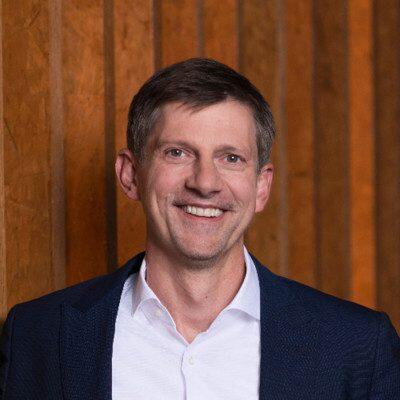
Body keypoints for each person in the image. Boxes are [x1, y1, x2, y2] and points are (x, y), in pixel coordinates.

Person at [0, 58, 399, 399]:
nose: (205, 182)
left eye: (231, 158)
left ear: (261, 187)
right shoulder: (36, 336)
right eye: (177, 153)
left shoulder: (358, 347)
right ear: (131, 175)